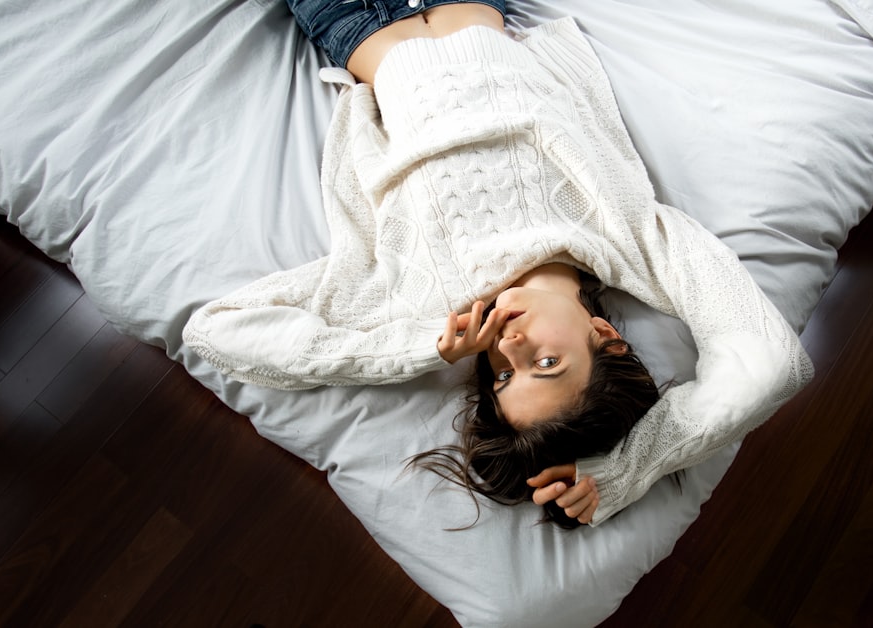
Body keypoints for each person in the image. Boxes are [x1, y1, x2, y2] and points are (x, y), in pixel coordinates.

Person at [183, 0, 813, 527]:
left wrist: (422, 352)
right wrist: (633, 464)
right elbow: (767, 364)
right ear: (606, 337)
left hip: (355, 21)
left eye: (504, 377)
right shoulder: (632, 241)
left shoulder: (423, 303)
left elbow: (216, 330)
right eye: (545, 362)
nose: (508, 346)